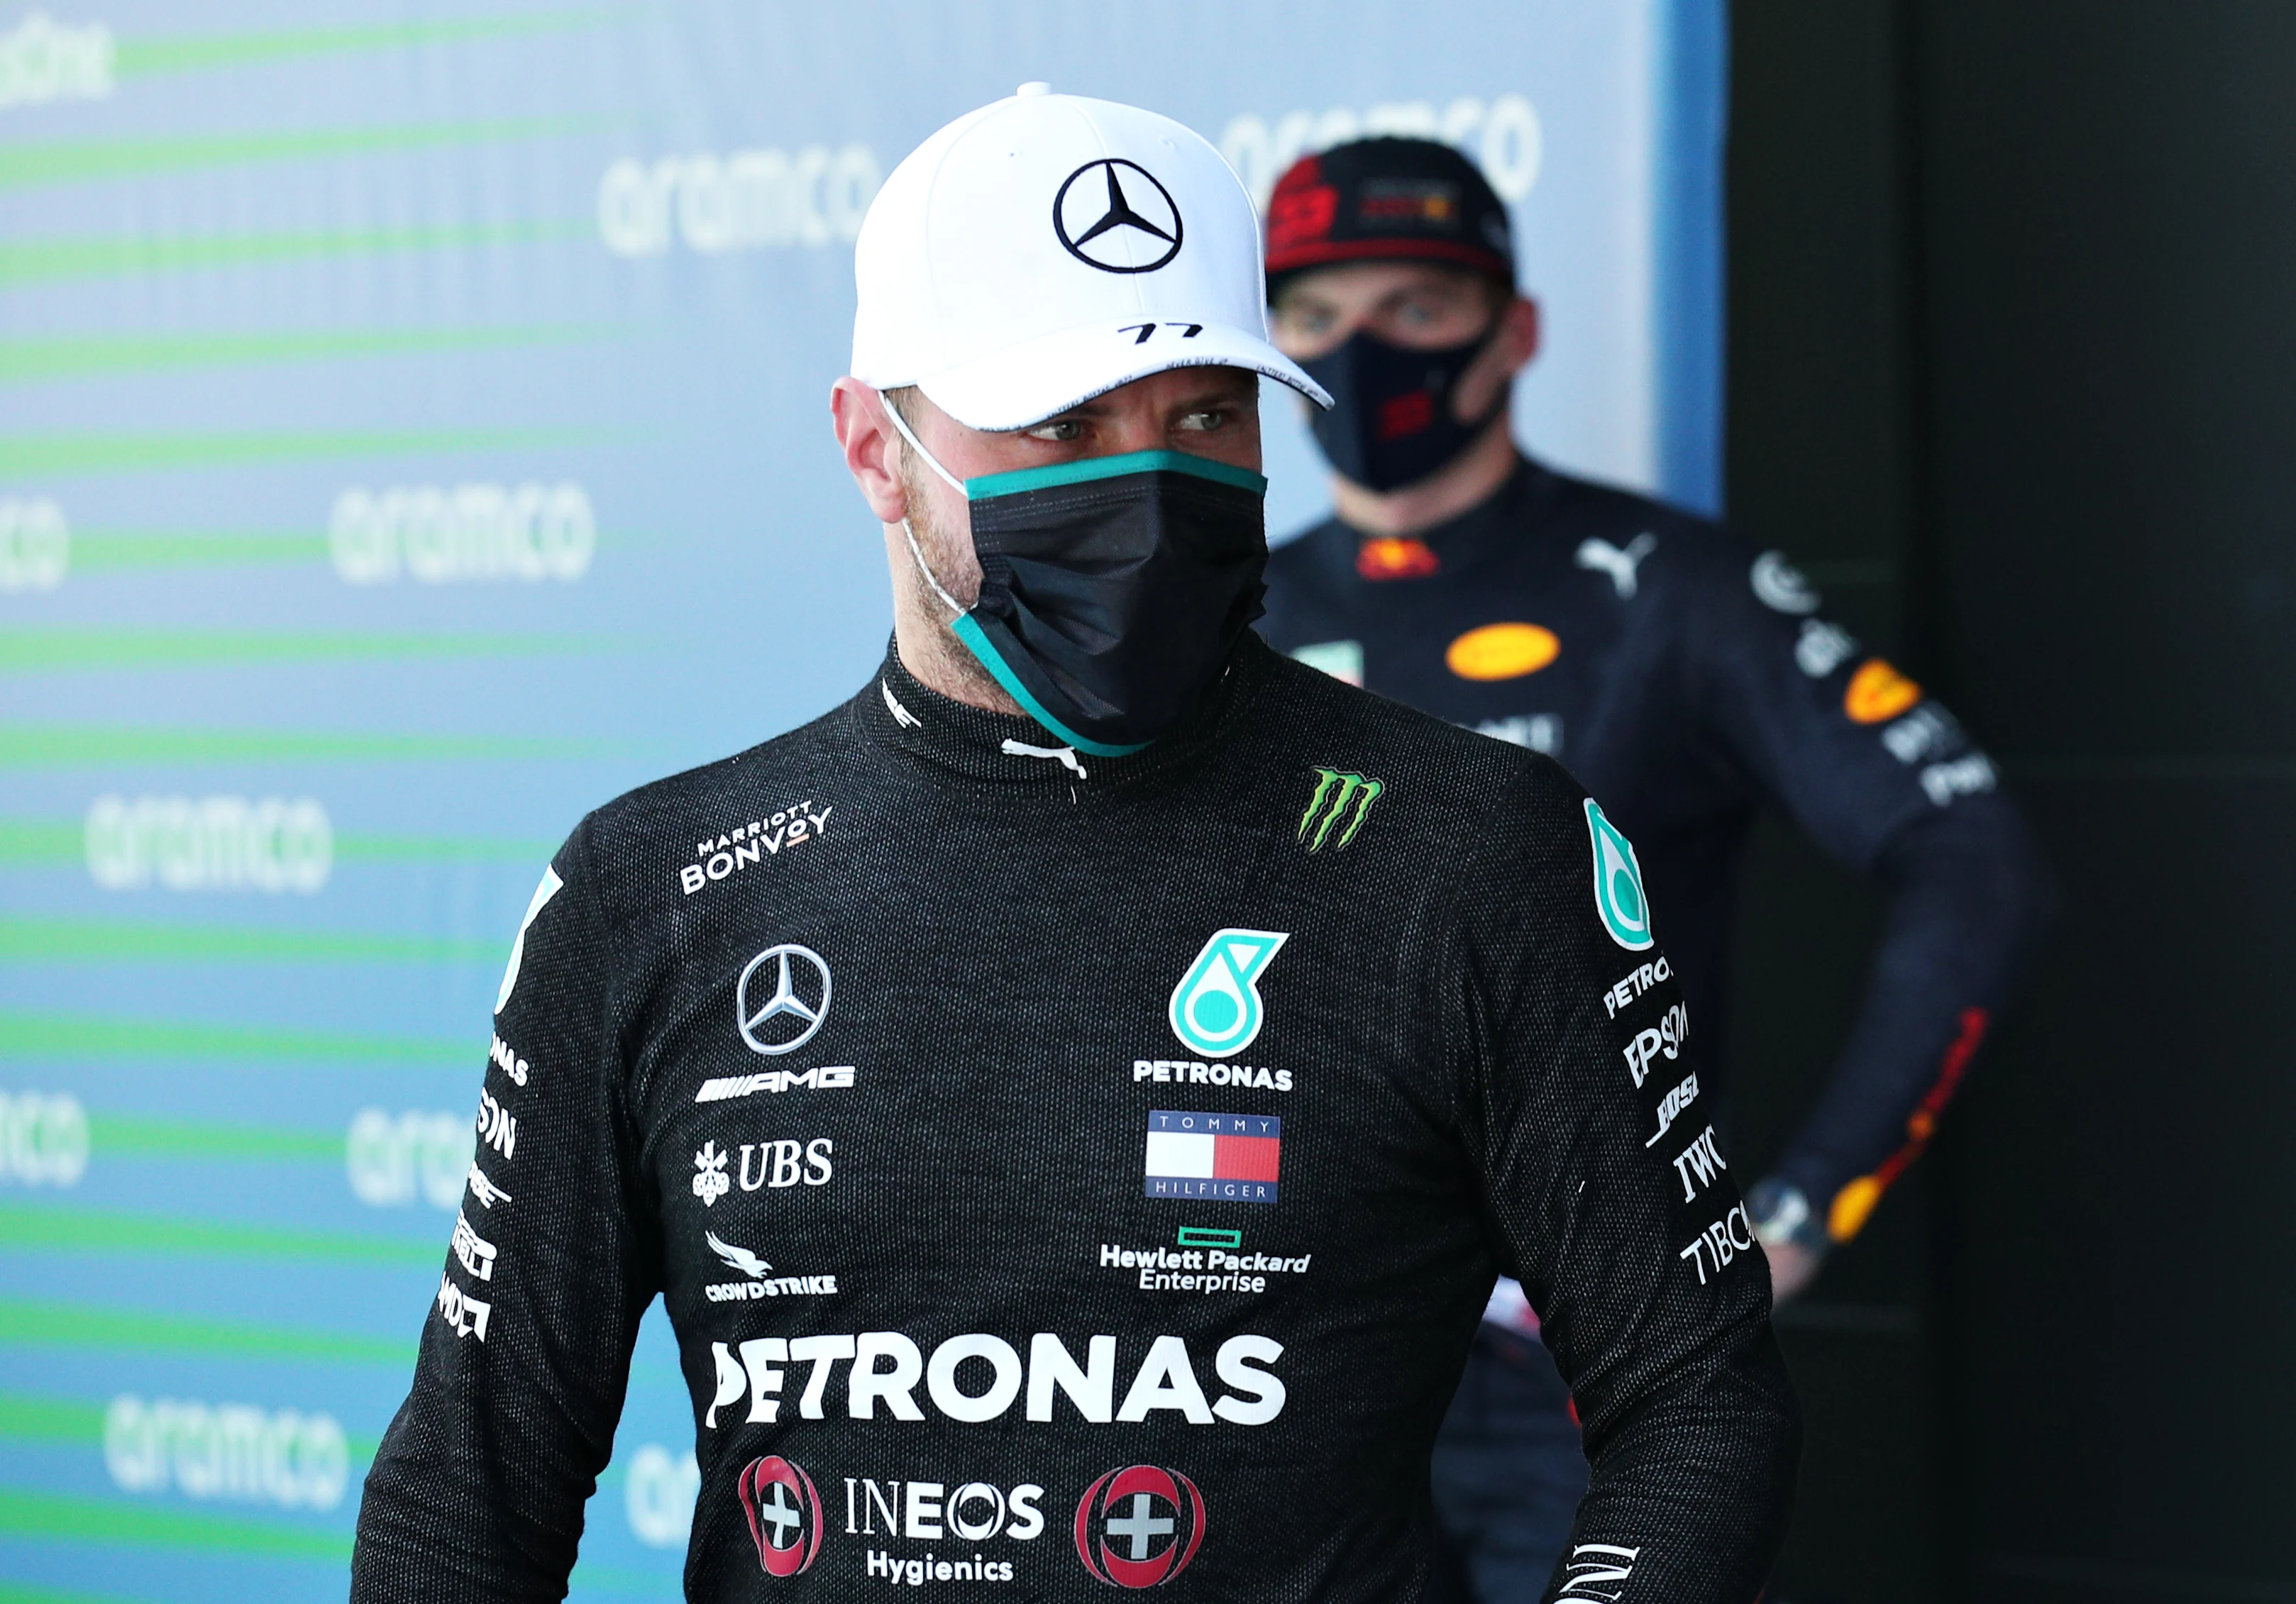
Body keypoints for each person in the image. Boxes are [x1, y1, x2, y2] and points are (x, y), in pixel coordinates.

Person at [350, 88, 1799, 1603]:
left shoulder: (1472, 848)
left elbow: (1696, 1399)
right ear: (872, 446)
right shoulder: (652, 891)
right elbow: (476, 1470)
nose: (1147, 479)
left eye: (1203, 414)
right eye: (1061, 422)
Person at [1255, 136, 2055, 1604]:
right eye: (1314, 315)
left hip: (1577, 1356)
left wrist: (1807, 1205)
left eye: (1416, 307)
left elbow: (1972, 853)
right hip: (1282, 1352)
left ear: (1516, 328)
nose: (1363, 349)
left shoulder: (1669, 590)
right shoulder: (1233, 609)